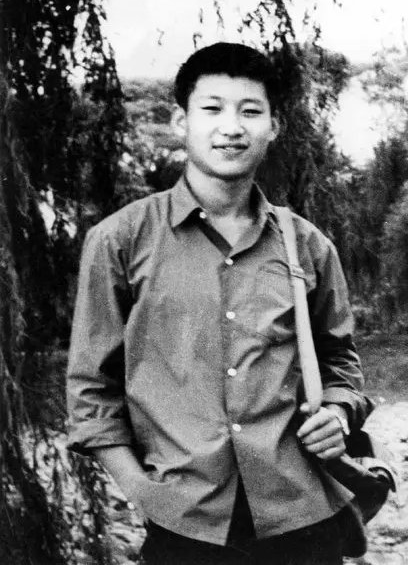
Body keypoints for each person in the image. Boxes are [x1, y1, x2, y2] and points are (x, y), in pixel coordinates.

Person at [67, 42, 371, 564]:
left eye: (250, 111)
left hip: (304, 517)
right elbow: (92, 388)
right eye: (212, 108)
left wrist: (339, 413)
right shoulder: (120, 240)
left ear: (273, 126)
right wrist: (144, 493)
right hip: (184, 523)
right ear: (180, 121)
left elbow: (340, 360)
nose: (232, 127)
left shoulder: (308, 245)